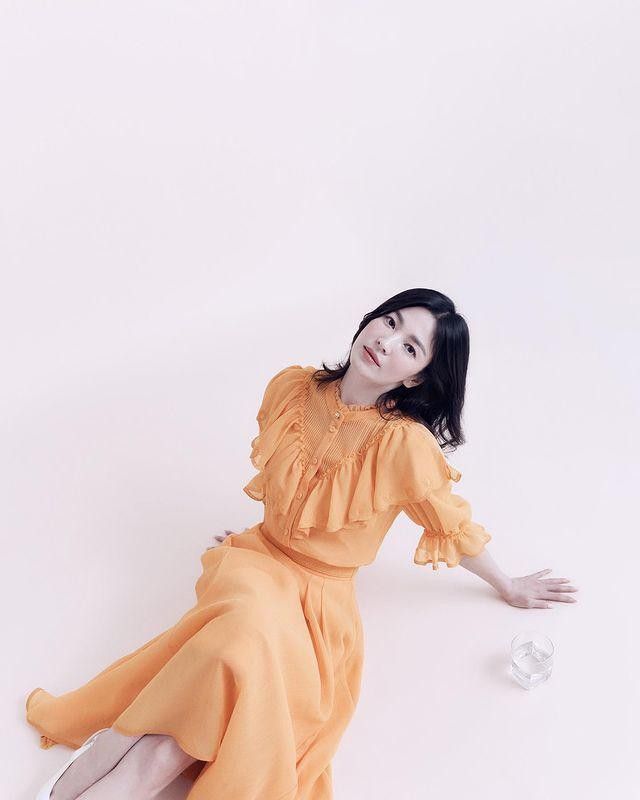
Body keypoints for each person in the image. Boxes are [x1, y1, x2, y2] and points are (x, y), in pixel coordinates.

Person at [25, 287, 578, 799]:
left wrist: (508, 584)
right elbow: (290, 498)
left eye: (411, 348)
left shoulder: (404, 447)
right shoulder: (292, 388)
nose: (387, 343)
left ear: (416, 379)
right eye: (390, 322)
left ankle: (124, 752)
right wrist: (262, 541)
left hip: (318, 604)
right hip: (255, 561)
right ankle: (132, 773)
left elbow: (450, 523)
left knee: (237, 650)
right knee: (243, 629)